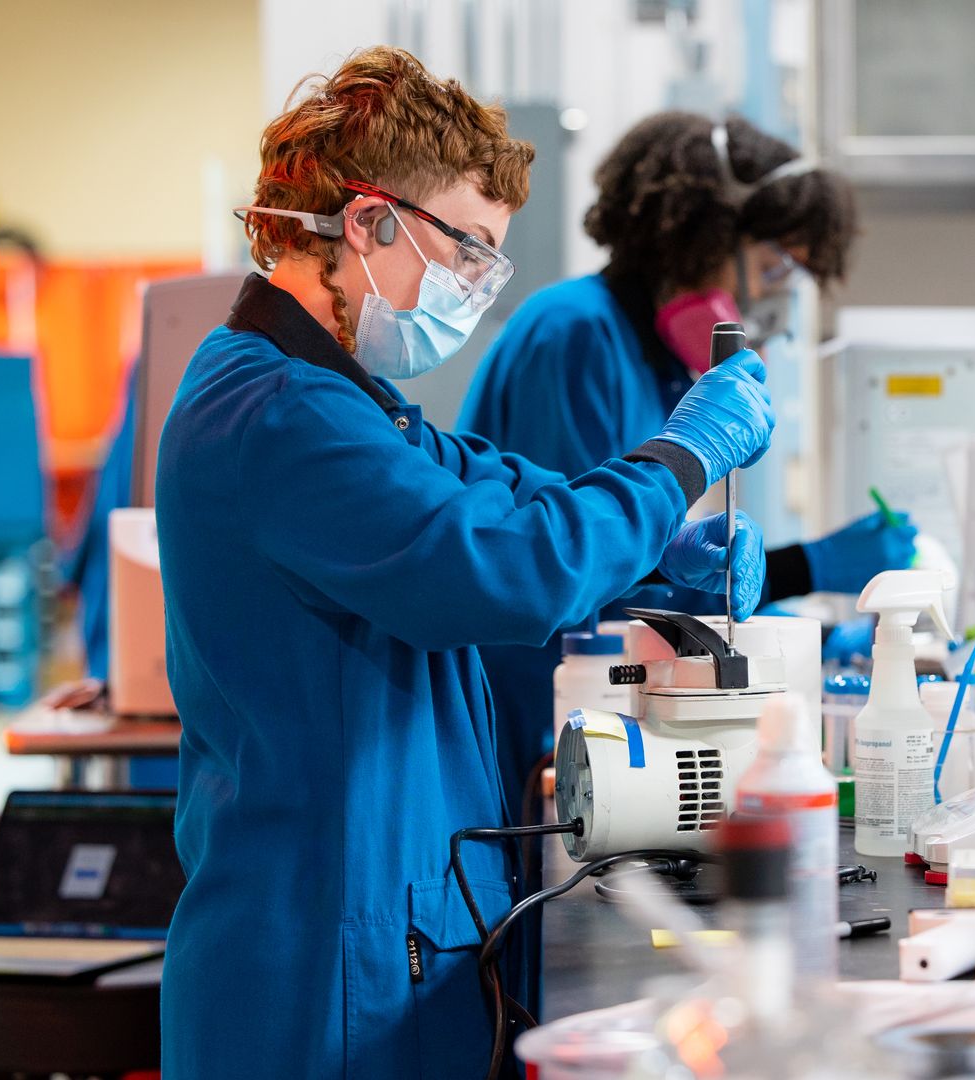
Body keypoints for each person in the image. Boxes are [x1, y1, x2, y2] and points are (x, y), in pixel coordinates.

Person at [154, 49, 775, 1079]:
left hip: (374, 920)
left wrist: (653, 561)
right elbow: (498, 567)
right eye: (470, 251)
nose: (480, 288)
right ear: (368, 222)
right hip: (319, 966)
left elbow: (489, 488)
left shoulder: (337, 398)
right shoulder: (277, 415)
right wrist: (683, 456)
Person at [459, 112, 917, 800]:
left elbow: (646, 559)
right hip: (529, 723)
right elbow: (580, 571)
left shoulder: (656, 362)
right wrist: (807, 580)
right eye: (770, 266)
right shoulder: (576, 336)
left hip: (595, 708)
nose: (773, 297)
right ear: (700, 239)